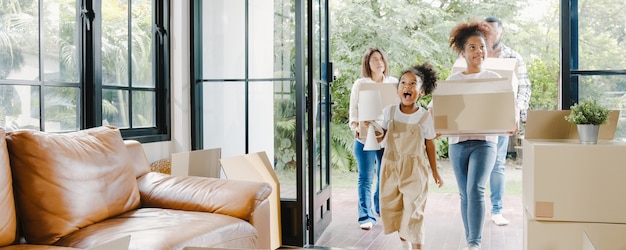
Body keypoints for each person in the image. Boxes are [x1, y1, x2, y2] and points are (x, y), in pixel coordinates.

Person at [440, 19, 516, 250]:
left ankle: (475, 243)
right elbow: (443, 115)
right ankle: (470, 238)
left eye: (481, 46)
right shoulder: (452, 81)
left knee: (475, 189)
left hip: (485, 142)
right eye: (472, 47)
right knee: (464, 193)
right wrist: (438, 124)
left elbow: (508, 110)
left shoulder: (495, 79)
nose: (478, 51)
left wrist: (512, 122)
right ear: (463, 52)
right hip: (458, 143)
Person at [377, 63, 443, 250]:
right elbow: (380, 136)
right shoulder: (388, 112)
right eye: (403, 82)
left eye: (413, 83)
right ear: (398, 89)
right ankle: (404, 244)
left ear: (421, 91)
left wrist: (435, 172)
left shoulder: (424, 117)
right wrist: (367, 130)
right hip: (390, 168)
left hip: (415, 171)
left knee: (414, 212)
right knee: (394, 209)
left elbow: (430, 144)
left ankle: (417, 247)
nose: (407, 86)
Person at [484, 16, 532, 226]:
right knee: (473, 165)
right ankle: (472, 208)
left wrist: (517, 113)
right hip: (476, 118)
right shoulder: (473, 52)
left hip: (502, 117)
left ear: (500, 33)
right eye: (486, 31)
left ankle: (496, 210)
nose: (490, 35)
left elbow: (524, 87)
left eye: (493, 31)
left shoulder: (513, 56)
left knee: (497, 164)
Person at [348, 47, 398, 230]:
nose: (379, 63)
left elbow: (398, 109)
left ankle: (379, 207)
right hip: (365, 138)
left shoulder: (393, 83)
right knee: (365, 178)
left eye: (381, 59)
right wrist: (355, 127)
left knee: (385, 177)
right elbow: (353, 110)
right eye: (374, 60)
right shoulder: (361, 84)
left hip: (386, 138)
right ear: (367, 64)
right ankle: (365, 216)